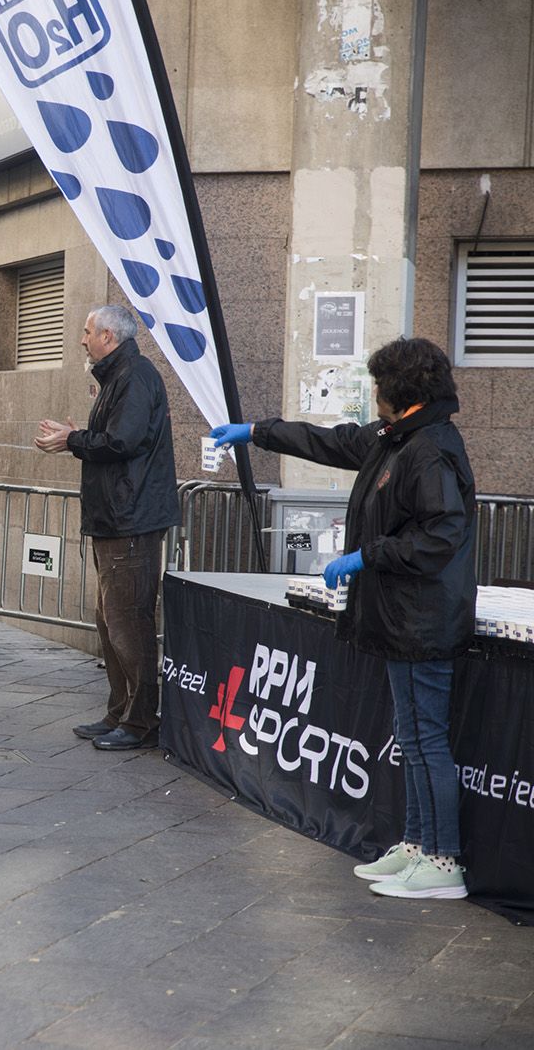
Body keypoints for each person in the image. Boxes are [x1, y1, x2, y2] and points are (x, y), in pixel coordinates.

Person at [210, 337, 475, 901]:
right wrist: (257, 431)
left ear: (398, 393)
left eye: (379, 385)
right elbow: (330, 441)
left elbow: (441, 534)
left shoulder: (429, 448)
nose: (373, 394)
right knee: (410, 735)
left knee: (425, 739)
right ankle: (417, 841)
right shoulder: (395, 437)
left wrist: (368, 555)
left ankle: (443, 859)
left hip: (422, 618)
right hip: (400, 615)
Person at [35, 304, 180, 751]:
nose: (82, 339)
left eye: (87, 332)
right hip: (117, 518)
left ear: (108, 338)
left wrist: (72, 439)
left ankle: (140, 722)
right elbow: (117, 438)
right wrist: (81, 435)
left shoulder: (134, 377)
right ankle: (120, 712)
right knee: (109, 620)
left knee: (128, 622)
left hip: (130, 520)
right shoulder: (120, 377)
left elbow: (123, 441)